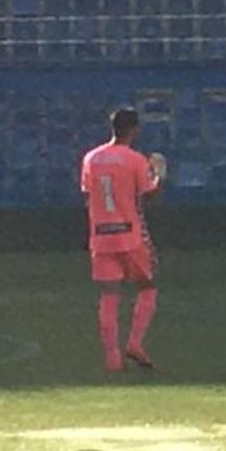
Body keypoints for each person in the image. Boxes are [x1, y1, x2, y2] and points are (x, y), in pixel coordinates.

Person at [80, 109, 163, 373]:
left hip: (101, 235)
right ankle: (135, 343)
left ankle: (113, 358)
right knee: (147, 286)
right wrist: (159, 174)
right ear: (134, 130)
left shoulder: (91, 158)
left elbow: (87, 195)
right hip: (130, 234)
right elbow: (149, 196)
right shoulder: (135, 160)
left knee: (109, 295)